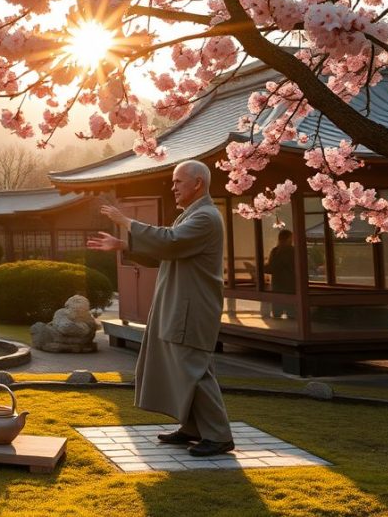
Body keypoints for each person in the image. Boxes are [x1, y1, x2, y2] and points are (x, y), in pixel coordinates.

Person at [86, 160, 235, 457]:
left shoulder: (205, 217)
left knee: (194, 367)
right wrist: (124, 246)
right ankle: (193, 428)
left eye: (179, 181)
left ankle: (219, 436)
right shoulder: (191, 216)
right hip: (181, 302)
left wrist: (126, 222)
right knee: (184, 366)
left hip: (193, 305)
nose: (173, 187)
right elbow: (165, 252)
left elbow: (169, 241)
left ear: (198, 184)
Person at [265, 229, 297, 319]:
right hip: (291, 285)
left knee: (277, 312)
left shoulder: (276, 251)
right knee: (291, 312)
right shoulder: (292, 251)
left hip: (278, 285)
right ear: (288, 238)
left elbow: (272, 267)